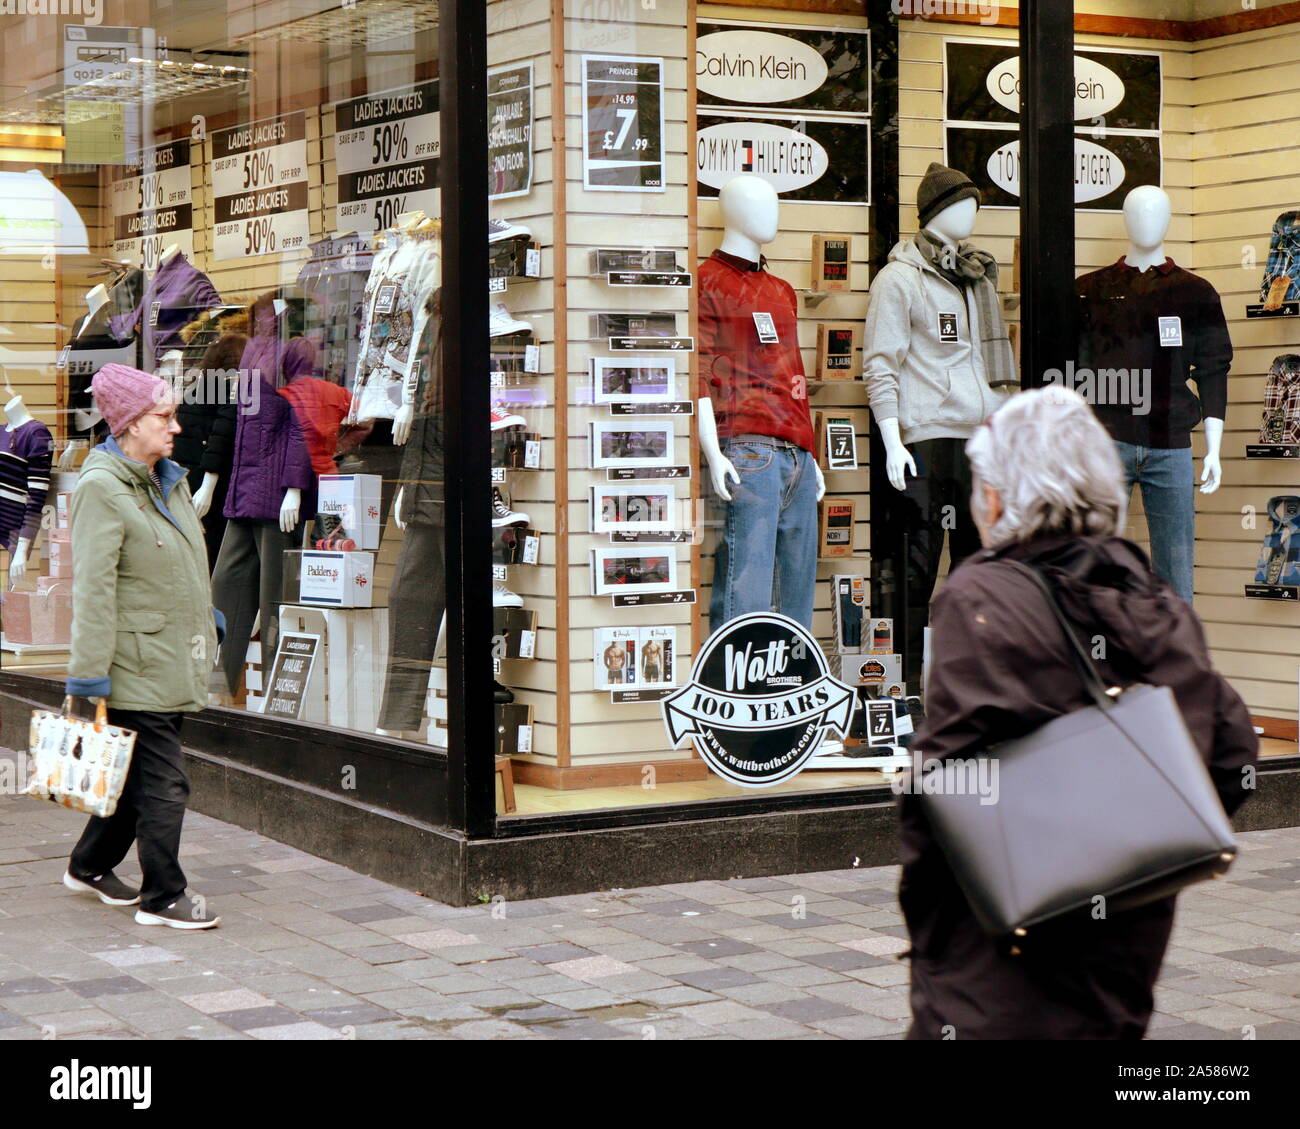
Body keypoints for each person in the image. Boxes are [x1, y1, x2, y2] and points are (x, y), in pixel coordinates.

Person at [899, 386, 1258, 1040]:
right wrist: (1133, 840)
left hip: (997, 956)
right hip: (1123, 951)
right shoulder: (1158, 602)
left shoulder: (979, 594)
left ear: (999, 498)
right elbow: (1232, 756)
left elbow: (945, 781)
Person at [62, 363, 225, 930]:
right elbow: (94, 589)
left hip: (174, 655)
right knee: (165, 780)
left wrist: (209, 618)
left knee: (133, 777)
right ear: (130, 424)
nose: (176, 427)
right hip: (134, 664)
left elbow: (177, 564)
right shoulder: (101, 488)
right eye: (165, 416)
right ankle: (163, 896)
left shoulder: (167, 480)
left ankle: (88, 865)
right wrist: (86, 680)